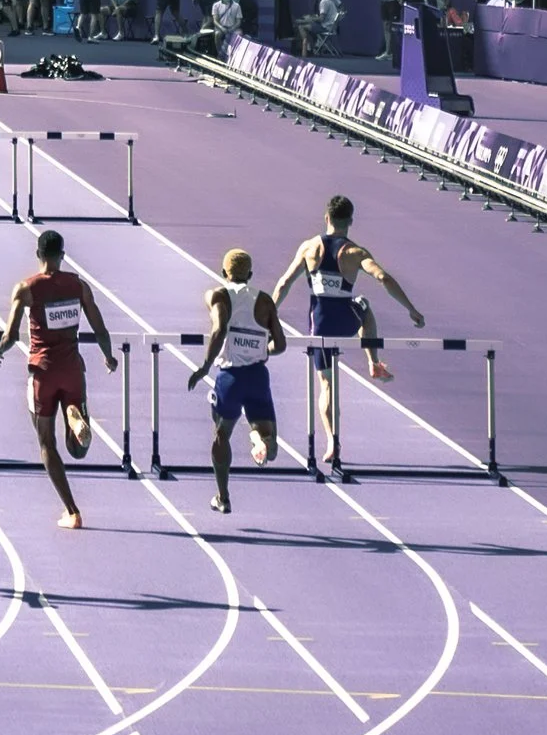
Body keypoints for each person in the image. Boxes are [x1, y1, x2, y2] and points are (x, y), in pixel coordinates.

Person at [0, 228, 118, 533]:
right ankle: (74, 419)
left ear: (38, 255)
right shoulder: (78, 286)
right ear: (62, 255)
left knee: (47, 443)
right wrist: (109, 356)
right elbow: (100, 328)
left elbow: (10, 335)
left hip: (43, 373)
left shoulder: (26, 289)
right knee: (77, 450)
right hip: (73, 369)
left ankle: (72, 511)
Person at [273, 195, 424, 450]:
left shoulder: (309, 248)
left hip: (318, 327)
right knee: (364, 306)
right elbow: (383, 277)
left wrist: (269, 318)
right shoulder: (355, 252)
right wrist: (411, 309)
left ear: (326, 218)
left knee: (327, 385)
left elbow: (284, 284)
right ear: (350, 221)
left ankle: (332, 440)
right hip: (346, 321)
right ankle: (373, 362)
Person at [181, 247, 287, 514]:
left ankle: (223, 497)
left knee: (221, 434)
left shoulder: (216, 295)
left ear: (222, 272)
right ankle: (260, 440)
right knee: (269, 447)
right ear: (250, 274)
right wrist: (261, 349)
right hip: (258, 378)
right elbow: (281, 344)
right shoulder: (265, 301)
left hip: (230, 378)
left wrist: (205, 366)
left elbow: (219, 329)